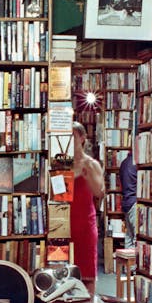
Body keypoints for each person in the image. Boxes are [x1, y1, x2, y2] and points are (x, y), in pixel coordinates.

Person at [68, 123, 104, 293]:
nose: (69, 141)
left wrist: (87, 174)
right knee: (64, 275)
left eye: (73, 136)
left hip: (85, 225)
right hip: (65, 224)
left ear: (82, 138)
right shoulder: (61, 165)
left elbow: (99, 192)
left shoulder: (91, 164)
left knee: (87, 274)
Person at [119, 147, 137, 249]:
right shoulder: (136, 164)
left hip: (126, 202)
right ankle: (134, 264)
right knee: (136, 237)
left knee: (129, 237)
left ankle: (128, 264)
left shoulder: (123, 163)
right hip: (134, 202)